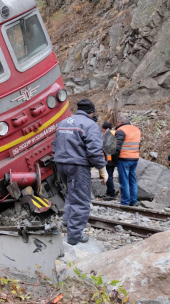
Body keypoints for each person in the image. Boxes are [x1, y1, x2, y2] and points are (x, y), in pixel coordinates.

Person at [52, 99, 107, 245]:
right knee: (81, 200)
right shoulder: (90, 125)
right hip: (78, 166)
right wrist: (102, 168)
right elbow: (95, 152)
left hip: (61, 164)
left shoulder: (63, 123)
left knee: (71, 193)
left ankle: (66, 221)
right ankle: (74, 236)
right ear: (92, 112)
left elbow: (54, 145)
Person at [114, 115, 141, 206]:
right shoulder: (136, 129)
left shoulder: (121, 130)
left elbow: (117, 147)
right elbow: (138, 145)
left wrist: (114, 159)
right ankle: (133, 201)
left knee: (124, 181)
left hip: (124, 158)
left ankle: (125, 201)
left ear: (119, 122)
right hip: (135, 158)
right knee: (132, 180)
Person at [101, 121, 118, 200]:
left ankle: (111, 193)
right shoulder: (116, 132)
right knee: (110, 175)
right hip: (115, 158)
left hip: (108, 159)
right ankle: (109, 192)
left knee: (108, 176)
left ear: (104, 129)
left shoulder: (106, 134)